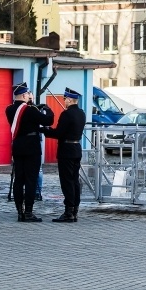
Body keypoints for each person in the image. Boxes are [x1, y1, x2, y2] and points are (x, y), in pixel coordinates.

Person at [5, 83, 54, 222]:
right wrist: (47, 109)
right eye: (28, 94)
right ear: (25, 95)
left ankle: (19, 212)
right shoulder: (30, 110)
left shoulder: (9, 109)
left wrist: (33, 107)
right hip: (31, 147)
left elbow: (24, 114)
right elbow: (48, 120)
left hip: (18, 146)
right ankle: (28, 212)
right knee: (30, 179)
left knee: (18, 179)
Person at [42, 87, 86, 223]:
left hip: (66, 150)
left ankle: (68, 212)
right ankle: (75, 210)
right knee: (74, 181)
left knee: (67, 181)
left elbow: (59, 133)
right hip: (76, 148)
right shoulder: (81, 114)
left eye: (65, 99)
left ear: (70, 99)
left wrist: (45, 130)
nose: (64, 101)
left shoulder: (66, 114)